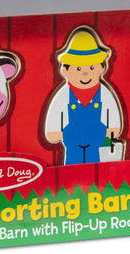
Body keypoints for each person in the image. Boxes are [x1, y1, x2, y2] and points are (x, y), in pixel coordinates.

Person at [44, 27, 123, 165]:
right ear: (65, 71)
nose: (85, 74)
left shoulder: (105, 94)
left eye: (91, 67)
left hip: (98, 152)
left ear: (102, 68)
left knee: (97, 175)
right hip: (72, 153)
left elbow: (115, 129)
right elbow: (51, 134)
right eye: (78, 68)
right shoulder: (63, 96)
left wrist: (106, 138)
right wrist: (67, 136)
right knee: (72, 177)